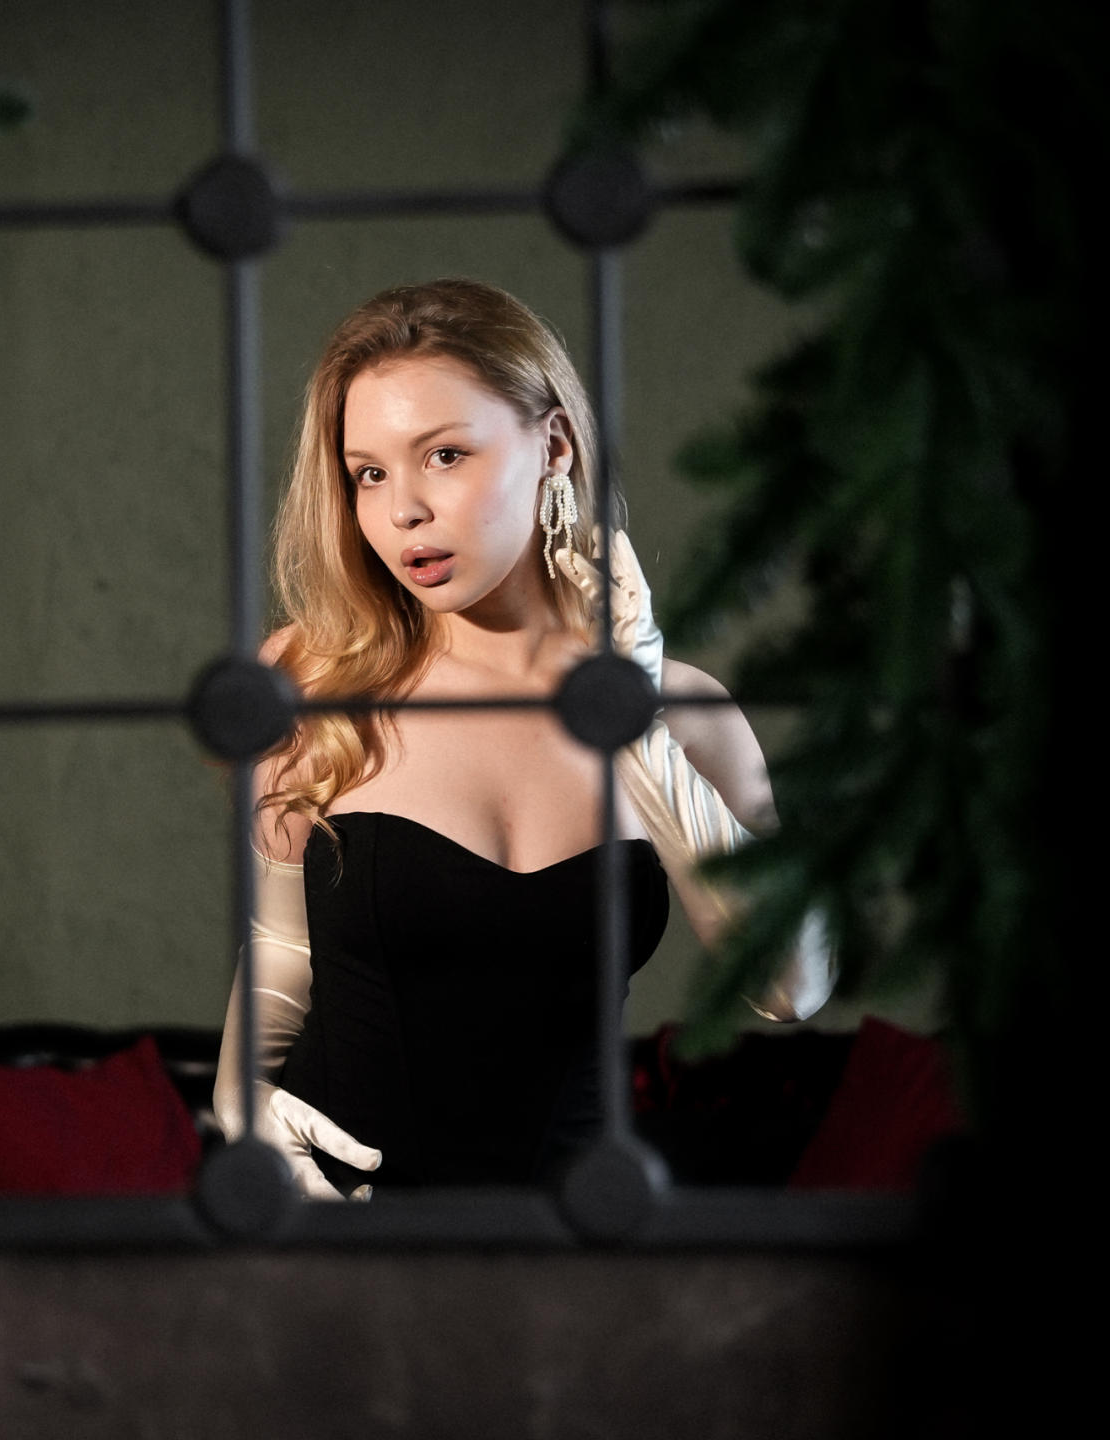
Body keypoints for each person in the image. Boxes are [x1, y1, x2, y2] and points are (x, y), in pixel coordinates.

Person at [211, 278, 832, 1200]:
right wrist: (243, 1115)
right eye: (369, 473)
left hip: (577, 1238)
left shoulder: (685, 709)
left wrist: (635, 721)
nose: (403, 510)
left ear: (554, 445)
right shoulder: (314, 681)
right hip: (339, 1226)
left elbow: (791, 986)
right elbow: (278, 963)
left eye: (445, 455)